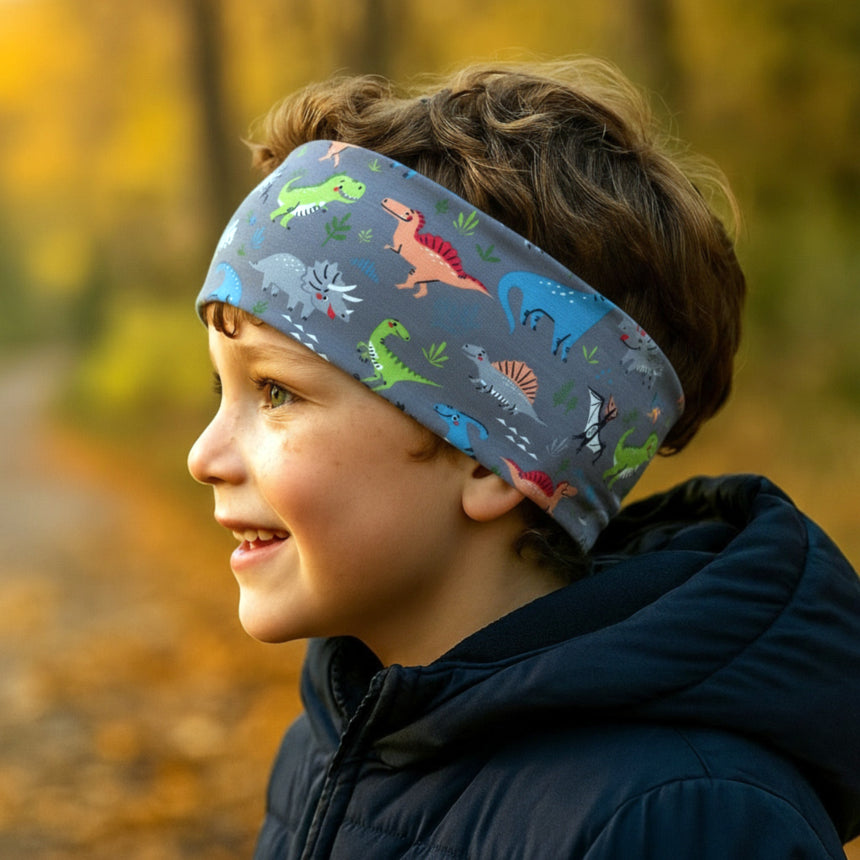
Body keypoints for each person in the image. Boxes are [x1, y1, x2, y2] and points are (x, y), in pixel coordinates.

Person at [187, 59, 860, 858]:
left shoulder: (680, 819)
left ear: (491, 458)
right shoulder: (332, 744)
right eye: (222, 390)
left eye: (274, 392)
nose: (203, 454)